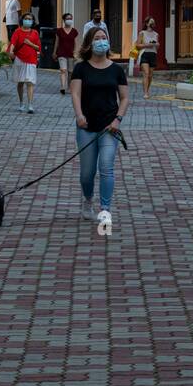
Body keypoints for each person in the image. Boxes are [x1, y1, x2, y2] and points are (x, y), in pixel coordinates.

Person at [71, 25, 129, 232]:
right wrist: (79, 116)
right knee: (87, 173)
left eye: (104, 37)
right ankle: (88, 199)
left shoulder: (116, 70)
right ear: (89, 42)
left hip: (108, 127)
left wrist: (117, 120)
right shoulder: (81, 68)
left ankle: (105, 209)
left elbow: (124, 98)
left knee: (106, 167)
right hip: (86, 126)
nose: (101, 41)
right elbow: (76, 94)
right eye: (97, 38)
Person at [9, 13, 40, 112]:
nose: (28, 20)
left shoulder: (35, 33)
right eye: (26, 18)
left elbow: (38, 47)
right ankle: (21, 103)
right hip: (19, 60)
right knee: (21, 82)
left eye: (30, 19)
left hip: (31, 60)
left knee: (30, 82)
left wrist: (30, 43)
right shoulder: (17, 31)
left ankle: (30, 105)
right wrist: (10, 51)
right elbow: (13, 43)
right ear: (22, 20)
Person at [134, 17, 159, 100]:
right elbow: (137, 45)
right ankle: (145, 93)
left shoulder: (156, 34)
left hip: (153, 54)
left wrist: (157, 45)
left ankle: (147, 90)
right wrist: (147, 45)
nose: (152, 24)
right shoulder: (142, 33)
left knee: (150, 75)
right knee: (146, 73)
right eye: (151, 22)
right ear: (147, 23)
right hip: (144, 54)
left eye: (153, 22)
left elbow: (157, 47)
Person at [53, 10, 78, 94]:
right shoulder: (59, 31)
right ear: (64, 20)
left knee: (70, 71)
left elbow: (75, 42)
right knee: (63, 70)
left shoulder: (74, 31)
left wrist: (75, 52)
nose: (69, 20)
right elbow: (56, 42)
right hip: (61, 53)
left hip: (71, 53)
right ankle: (63, 87)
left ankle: (70, 87)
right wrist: (54, 52)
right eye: (67, 18)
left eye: (70, 18)